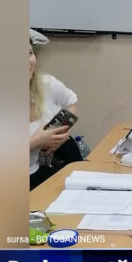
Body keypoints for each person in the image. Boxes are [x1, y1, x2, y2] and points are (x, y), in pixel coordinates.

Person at [29, 30, 81, 190]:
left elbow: (71, 102)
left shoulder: (46, 84)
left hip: (37, 173)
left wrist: (60, 135)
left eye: (29, 53)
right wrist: (34, 142)